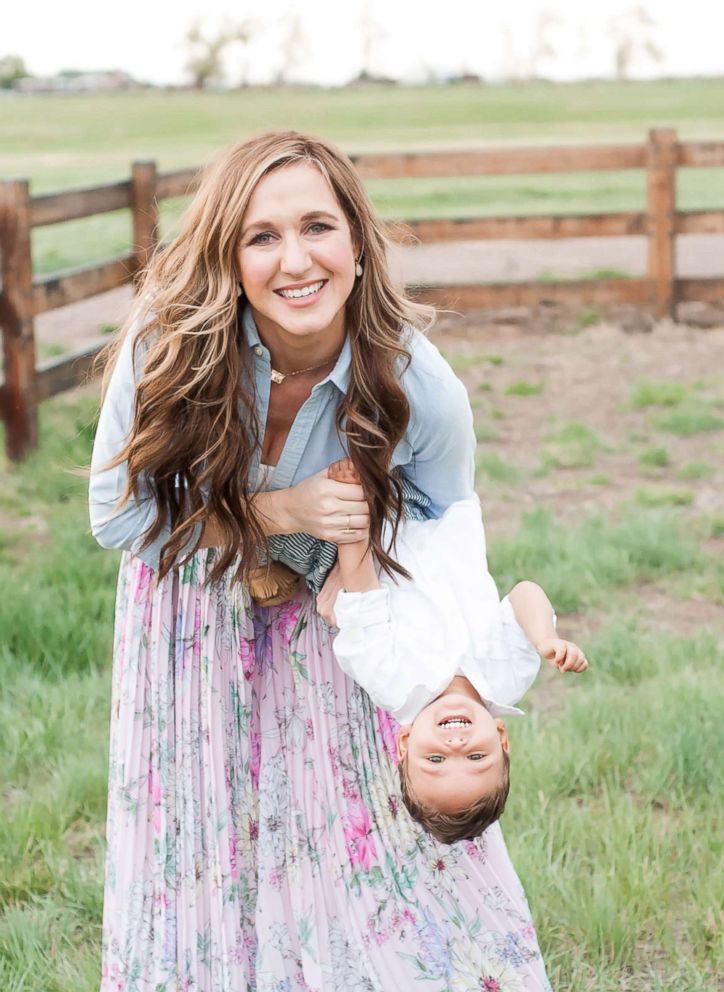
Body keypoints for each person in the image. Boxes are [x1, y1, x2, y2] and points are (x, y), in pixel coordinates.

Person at [89, 130, 552, 990]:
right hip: (189, 610)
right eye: (262, 236)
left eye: (317, 227)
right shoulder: (168, 345)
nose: (294, 260)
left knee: (348, 822)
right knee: (202, 830)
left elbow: (447, 522)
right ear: (227, 256)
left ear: (356, 244)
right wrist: (279, 511)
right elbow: (119, 517)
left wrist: (415, 641)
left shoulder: (418, 383)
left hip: (344, 612)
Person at [321, 459, 588, 845]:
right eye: (477, 758)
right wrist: (546, 638)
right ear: (501, 738)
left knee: (310, 533)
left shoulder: (389, 679)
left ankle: (273, 562)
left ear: (404, 745)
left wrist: (355, 509)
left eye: (435, 761)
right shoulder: (508, 678)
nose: (456, 747)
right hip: (447, 506)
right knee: (438, 409)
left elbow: (361, 591)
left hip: (381, 521)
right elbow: (525, 593)